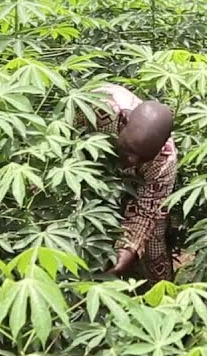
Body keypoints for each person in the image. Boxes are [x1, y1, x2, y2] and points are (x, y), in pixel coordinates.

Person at [76, 83, 178, 283]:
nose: (132, 161)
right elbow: (68, 133)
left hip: (140, 186)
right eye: (130, 150)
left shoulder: (165, 159)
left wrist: (128, 250)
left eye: (143, 157)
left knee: (154, 240)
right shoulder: (99, 105)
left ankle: (161, 290)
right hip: (89, 169)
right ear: (125, 121)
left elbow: (146, 211)